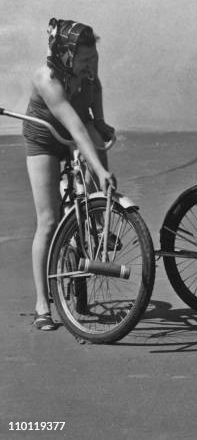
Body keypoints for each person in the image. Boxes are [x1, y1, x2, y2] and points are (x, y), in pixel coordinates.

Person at [22, 18, 116, 330]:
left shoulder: (88, 62)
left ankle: (99, 220)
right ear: (65, 55)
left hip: (80, 118)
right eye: (85, 59)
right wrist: (101, 169)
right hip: (45, 137)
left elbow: (95, 87)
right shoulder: (47, 79)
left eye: (93, 57)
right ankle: (42, 304)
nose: (91, 63)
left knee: (96, 141)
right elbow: (74, 128)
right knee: (48, 221)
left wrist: (100, 121)